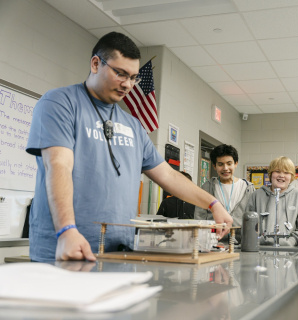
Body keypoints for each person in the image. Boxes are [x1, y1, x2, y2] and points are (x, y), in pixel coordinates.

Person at [26, 32, 232, 262]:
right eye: (120, 73)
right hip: (65, 249)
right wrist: (66, 230)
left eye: (133, 77)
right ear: (96, 64)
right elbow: (58, 165)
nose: (128, 85)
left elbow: (168, 175)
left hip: (118, 251)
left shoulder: (133, 125)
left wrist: (213, 203)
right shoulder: (59, 103)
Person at [246, 156, 298, 246]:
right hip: (260, 251)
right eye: (277, 171)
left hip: (289, 254)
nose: (281, 175)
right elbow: (247, 226)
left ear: (291, 177)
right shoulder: (256, 195)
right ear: (270, 174)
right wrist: (258, 241)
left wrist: (291, 242)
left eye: (286, 172)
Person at [194, 144, 255, 228]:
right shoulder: (208, 187)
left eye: (229, 164)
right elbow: (199, 217)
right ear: (214, 166)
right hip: (215, 238)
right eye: (220, 164)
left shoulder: (247, 188)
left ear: (235, 164)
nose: (225, 168)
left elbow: (254, 217)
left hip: (241, 239)